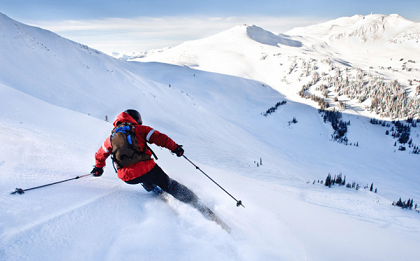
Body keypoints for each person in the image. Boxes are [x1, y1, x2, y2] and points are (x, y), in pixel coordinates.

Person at [91, 109, 199, 204]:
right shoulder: (140, 129)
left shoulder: (111, 137)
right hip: (148, 170)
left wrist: (98, 168)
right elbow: (160, 138)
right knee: (167, 183)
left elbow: (100, 154)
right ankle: (195, 202)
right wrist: (175, 148)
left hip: (127, 178)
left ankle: (153, 188)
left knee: (141, 176)